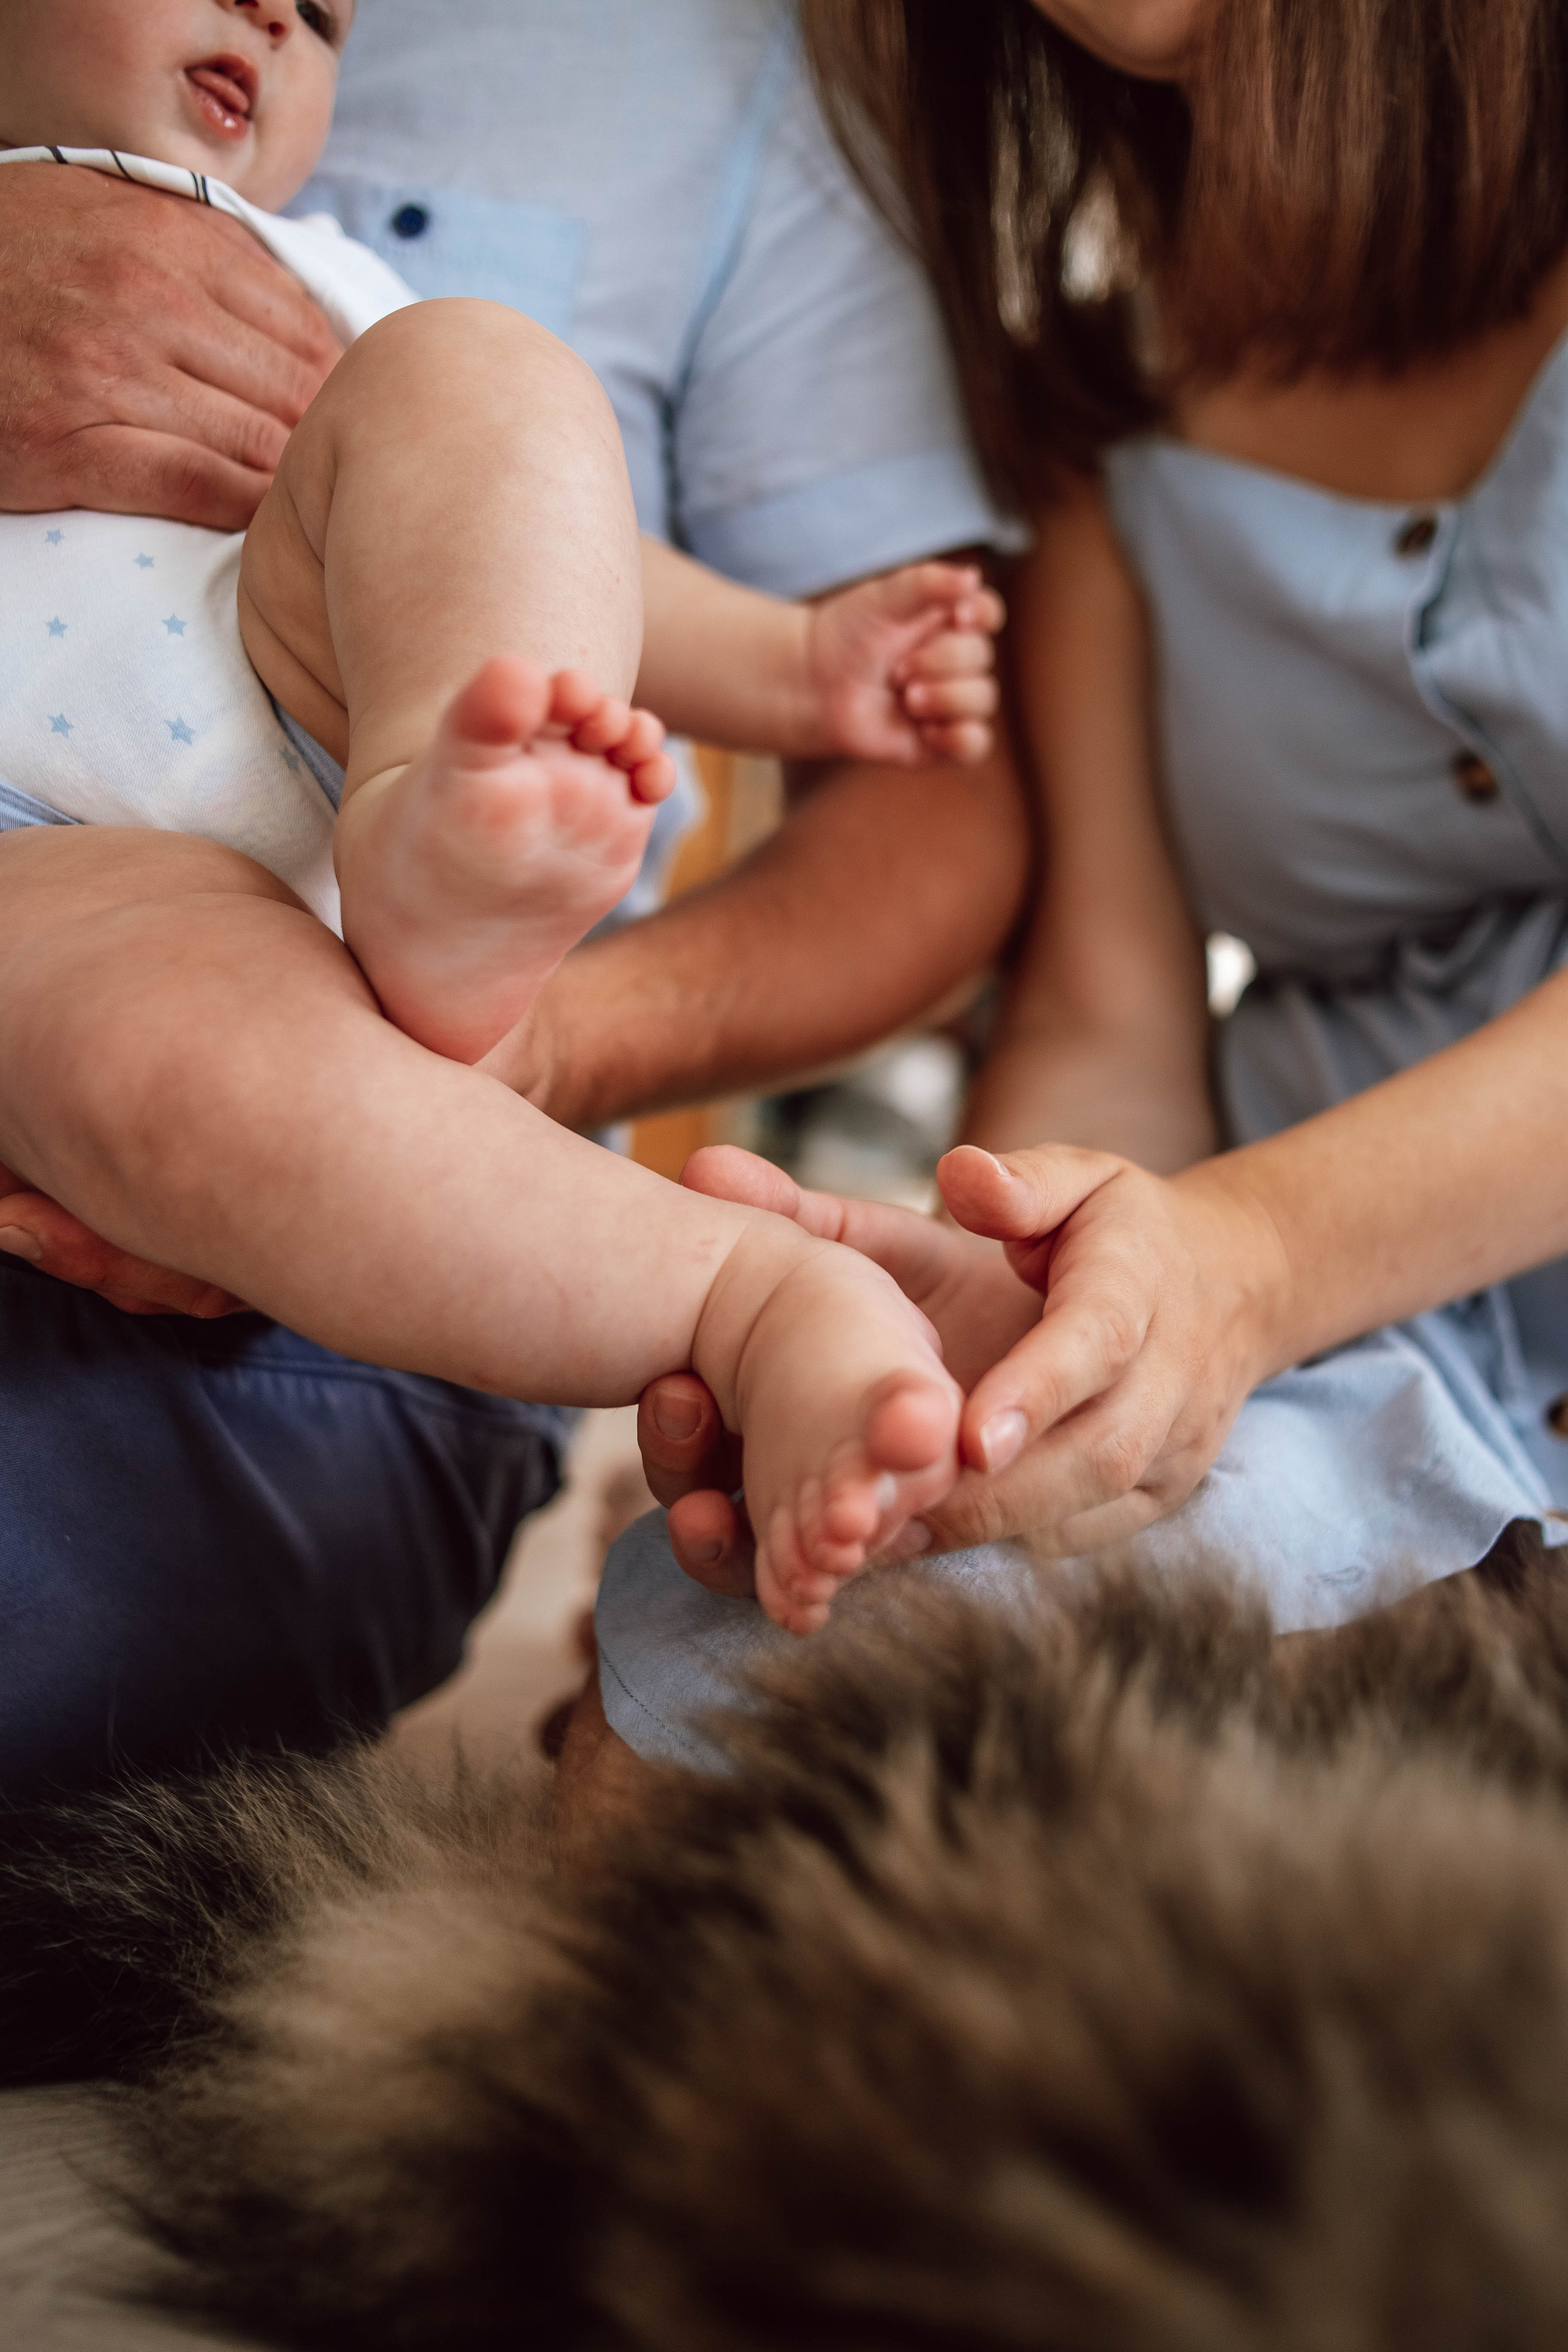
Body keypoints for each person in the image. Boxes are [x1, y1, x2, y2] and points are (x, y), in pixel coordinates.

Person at [0, 0, 1022, 1799]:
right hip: (46, 895)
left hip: (228, 819)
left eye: (326, 17)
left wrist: (793, 672)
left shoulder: (294, 267)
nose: (281, 13)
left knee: (475, 376)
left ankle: (460, 867)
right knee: (146, 1064)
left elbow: (562, 516)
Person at [575, 0, 1568, 1785]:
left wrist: (1249, 1263)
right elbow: (1111, 1027)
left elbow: (1240, 1254)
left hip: (1305, 1282)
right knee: (717, 1727)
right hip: (1353, 1352)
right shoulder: (1092, 420)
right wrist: (1005, 1341)